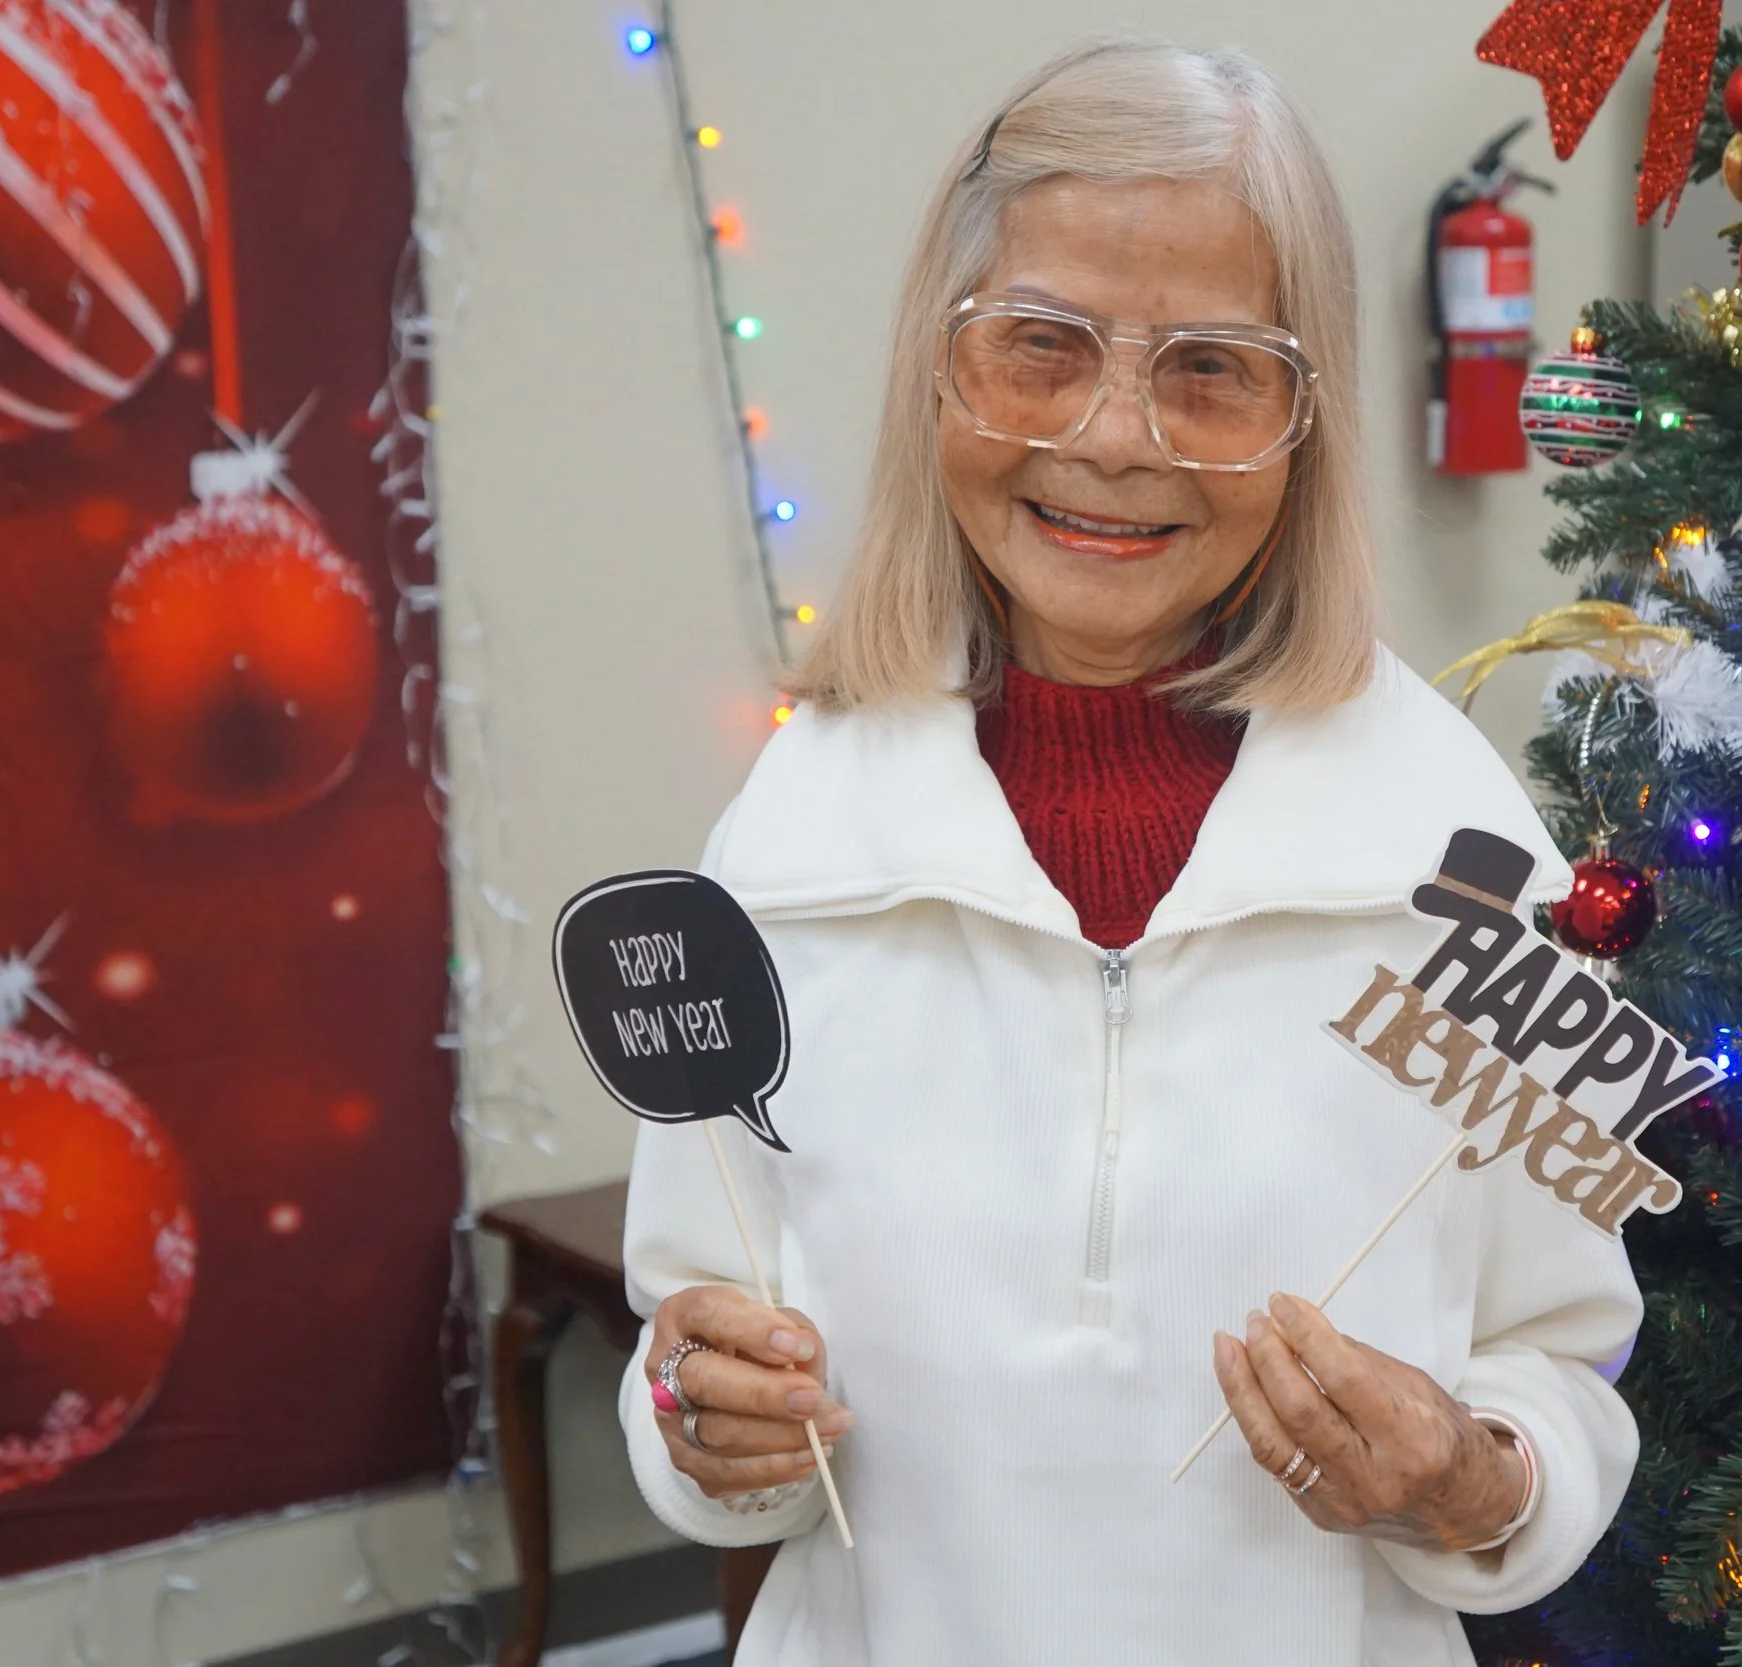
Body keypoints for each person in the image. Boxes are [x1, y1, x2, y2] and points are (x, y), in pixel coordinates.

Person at [619, 38, 1643, 1666]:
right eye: (1040, 345)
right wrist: (699, 1413)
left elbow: (1565, 1362)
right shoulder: (787, 846)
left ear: (1305, 422)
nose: (1113, 436)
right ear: (939, 368)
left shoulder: (1466, 863)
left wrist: (1475, 1478)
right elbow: (685, 1332)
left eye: (1212, 367)